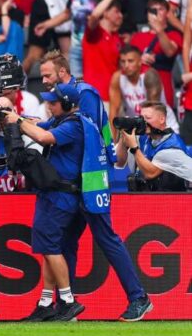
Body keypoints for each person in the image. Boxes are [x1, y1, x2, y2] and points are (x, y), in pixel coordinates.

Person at [8, 84, 153, 322]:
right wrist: (16, 118)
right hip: (81, 192)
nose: (47, 103)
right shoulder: (75, 118)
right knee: (63, 246)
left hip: (89, 191)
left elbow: (44, 136)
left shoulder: (75, 123)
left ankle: (138, 297)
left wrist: (17, 119)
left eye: (52, 100)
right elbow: (37, 126)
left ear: (66, 102)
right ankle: (63, 304)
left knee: (108, 242)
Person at [34, 0, 109, 78]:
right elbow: (67, 13)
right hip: (76, 46)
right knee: (76, 82)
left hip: (95, 44)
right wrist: (46, 24)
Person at [115, 101, 192, 191]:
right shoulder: (143, 138)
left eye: (148, 118)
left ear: (162, 119)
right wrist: (123, 135)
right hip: (147, 198)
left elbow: (150, 174)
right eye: (141, 118)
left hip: (174, 200)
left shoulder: (171, 146)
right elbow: (118, 162)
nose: (143, 122)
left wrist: (134, 148)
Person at [109, 45, 180, 134]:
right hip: (138, 128)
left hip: (163, 126)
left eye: (130, 61)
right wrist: (112, 143)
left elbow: (152, 112)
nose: (126, 65)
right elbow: (113, 113)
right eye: (123, 61)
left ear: (140, 61)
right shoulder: (117, 78)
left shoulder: (150, 75)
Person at [130, 0, 182, 107]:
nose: (157, 12)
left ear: (167, 13)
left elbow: (169, 52)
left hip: (163, 88)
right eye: (153, 10)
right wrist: (139, 59)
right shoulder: (137, 37)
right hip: (139, 91)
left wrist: (159, 29)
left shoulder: (174, 35)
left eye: (160, 9)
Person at [83, 0, 128, 105]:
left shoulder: (118, 38)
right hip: (95, 98)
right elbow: (94, 15)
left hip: (114, 98)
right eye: (117, 11)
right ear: (106, 13)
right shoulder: (94, 33)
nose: (121, 16)